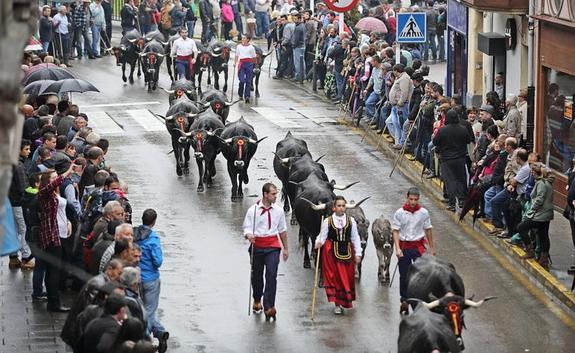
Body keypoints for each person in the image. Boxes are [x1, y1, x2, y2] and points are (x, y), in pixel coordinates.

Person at [243, 183, 288, 320]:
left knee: (271, 275)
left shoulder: (279, 211)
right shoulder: (253, 211)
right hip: (257, 246)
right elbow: (247, 228)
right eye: (273, 194)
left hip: (273, 247)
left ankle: (269, 306)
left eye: (276, 193)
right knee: (257, 276)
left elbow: (282, 231)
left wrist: (285, 248)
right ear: (265, 194)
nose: (276, 196)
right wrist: (249, 236)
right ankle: (257, 299)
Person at [314, 196, 362, 315]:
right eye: (339, 206)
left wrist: (358, 253)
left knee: (346, 277)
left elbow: (355, 237)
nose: (341, 208)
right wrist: (318, 242)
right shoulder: (328, 221)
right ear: (334, 208)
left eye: (343, 206)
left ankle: (344, 301)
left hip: (347, 251)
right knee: (335, 278)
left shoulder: (351, 221)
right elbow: (322, 236)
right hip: (331, 253)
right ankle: (337, 304)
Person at [391, 187, 435, 314]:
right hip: (404, 247)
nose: (413, 202)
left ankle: (418, 300)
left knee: (420, 276)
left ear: (418, 199)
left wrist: (432, 249)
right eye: (411, 199)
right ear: (407, 198)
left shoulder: (423, 213)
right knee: (404, 276)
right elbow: (395, 231)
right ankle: (404, 300)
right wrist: (397, 248)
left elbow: (428, 229)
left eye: (415, 200)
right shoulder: (399, 213)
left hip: (418, 248)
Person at [38, 165, 75, 312]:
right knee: (54, 269)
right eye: (53, 178)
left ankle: (53, 301)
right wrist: (67, 173)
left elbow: (61, 211)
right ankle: (54, 303)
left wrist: (68, 222)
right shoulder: (44, 193)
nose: (56, 180)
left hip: (61, 233)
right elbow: (52, 185)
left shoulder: (54, 194)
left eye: (56, 177)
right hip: (53, 235)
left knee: (55, 269)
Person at [133, 209, 169, 352]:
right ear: (154, 222)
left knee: (143, 309)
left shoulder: (135, 234)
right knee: (148, 311)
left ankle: (160, 333)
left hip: (136, 278)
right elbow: (158, 261)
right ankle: (146, 340)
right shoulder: (153, 238)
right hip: (151, 280)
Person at [517, 162, 555, 269]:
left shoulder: (541, 183)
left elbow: (539, 199)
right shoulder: (546, 182)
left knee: (521, 227)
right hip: (546, 214)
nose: (531, 173)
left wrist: (531, 210)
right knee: (543, 236)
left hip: (540, 215)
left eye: (532, 171)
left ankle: (530, 251)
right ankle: (544, 259)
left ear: (536, 173)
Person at [433, 109, 471, 211]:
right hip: (460, 158)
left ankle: (452, 203)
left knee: (450, 181)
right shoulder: (463, 129)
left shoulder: (443, 130)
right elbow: (468, 140)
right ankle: (462, 200)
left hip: (446, 159)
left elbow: (435, 142)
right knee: (460, 179)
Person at [235, 34, 257, 103]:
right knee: (242, 80)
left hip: (249, 64)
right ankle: (240, 94)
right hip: (241, 64)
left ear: (248, 39)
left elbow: (254, 57)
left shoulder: (251, 48)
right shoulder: (239, 46)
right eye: (242, 38)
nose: (242, 39)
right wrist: (235, 63)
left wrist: (255, 66)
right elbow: (236, 55)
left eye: (244, 38)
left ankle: (247, 96)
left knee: (248, 81)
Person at [291, 13, 306, 83]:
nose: (294, 20)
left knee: (297, 63)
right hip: (303, 46)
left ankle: (298, 76)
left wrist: (293, 46)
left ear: (300, 19)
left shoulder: (298, 28)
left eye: (296, 19)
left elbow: (296, 39)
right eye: (294, 19)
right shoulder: (303, 26)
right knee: (302, 62)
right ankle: (303, 76)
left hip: (298, 47)